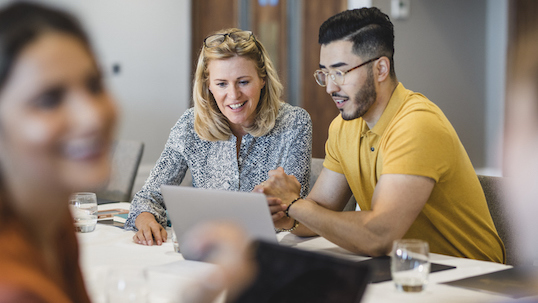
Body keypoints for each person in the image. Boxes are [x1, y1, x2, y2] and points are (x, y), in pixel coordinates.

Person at [257, 7, 505, 263]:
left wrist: (295, 205)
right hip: (406, 267)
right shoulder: (343, 127)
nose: (330, 87)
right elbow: (318, 213)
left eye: (340, 72)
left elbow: (378, 236)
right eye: (325, 73)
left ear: (381, 69)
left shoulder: (416, 124)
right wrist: (283, 211)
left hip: (472, 276)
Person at [126, 28, 313, 246]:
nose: (233, 95)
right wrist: (146, 220)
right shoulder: (190, 125)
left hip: (272, 251)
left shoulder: (295, 123)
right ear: (208, 85)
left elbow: (299, 211)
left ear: (263, 79)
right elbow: (148, 197)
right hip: (207, 249)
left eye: (243, 82)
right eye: (221, 84)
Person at [0, 2, 117, 302]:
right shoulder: (15, 288)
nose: (92, 116)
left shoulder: (54, 220)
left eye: (94, 85)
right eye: (49, 100)